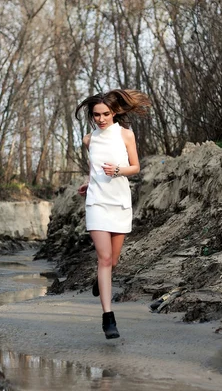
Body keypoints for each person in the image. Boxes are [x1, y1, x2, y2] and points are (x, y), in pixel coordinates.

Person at [75, 89, 151, 339]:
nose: (101, 119)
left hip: (119, 202)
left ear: (114, 112)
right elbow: (93, 168)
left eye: (105, 114)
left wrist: (118, 170)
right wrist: (89, 183)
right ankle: (108, 317)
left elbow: (136, 167)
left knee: (113, 261)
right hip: (96, 203)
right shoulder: (89, 140)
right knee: (104, 258)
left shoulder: (126, 134)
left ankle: (100, 279)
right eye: (96, 115)